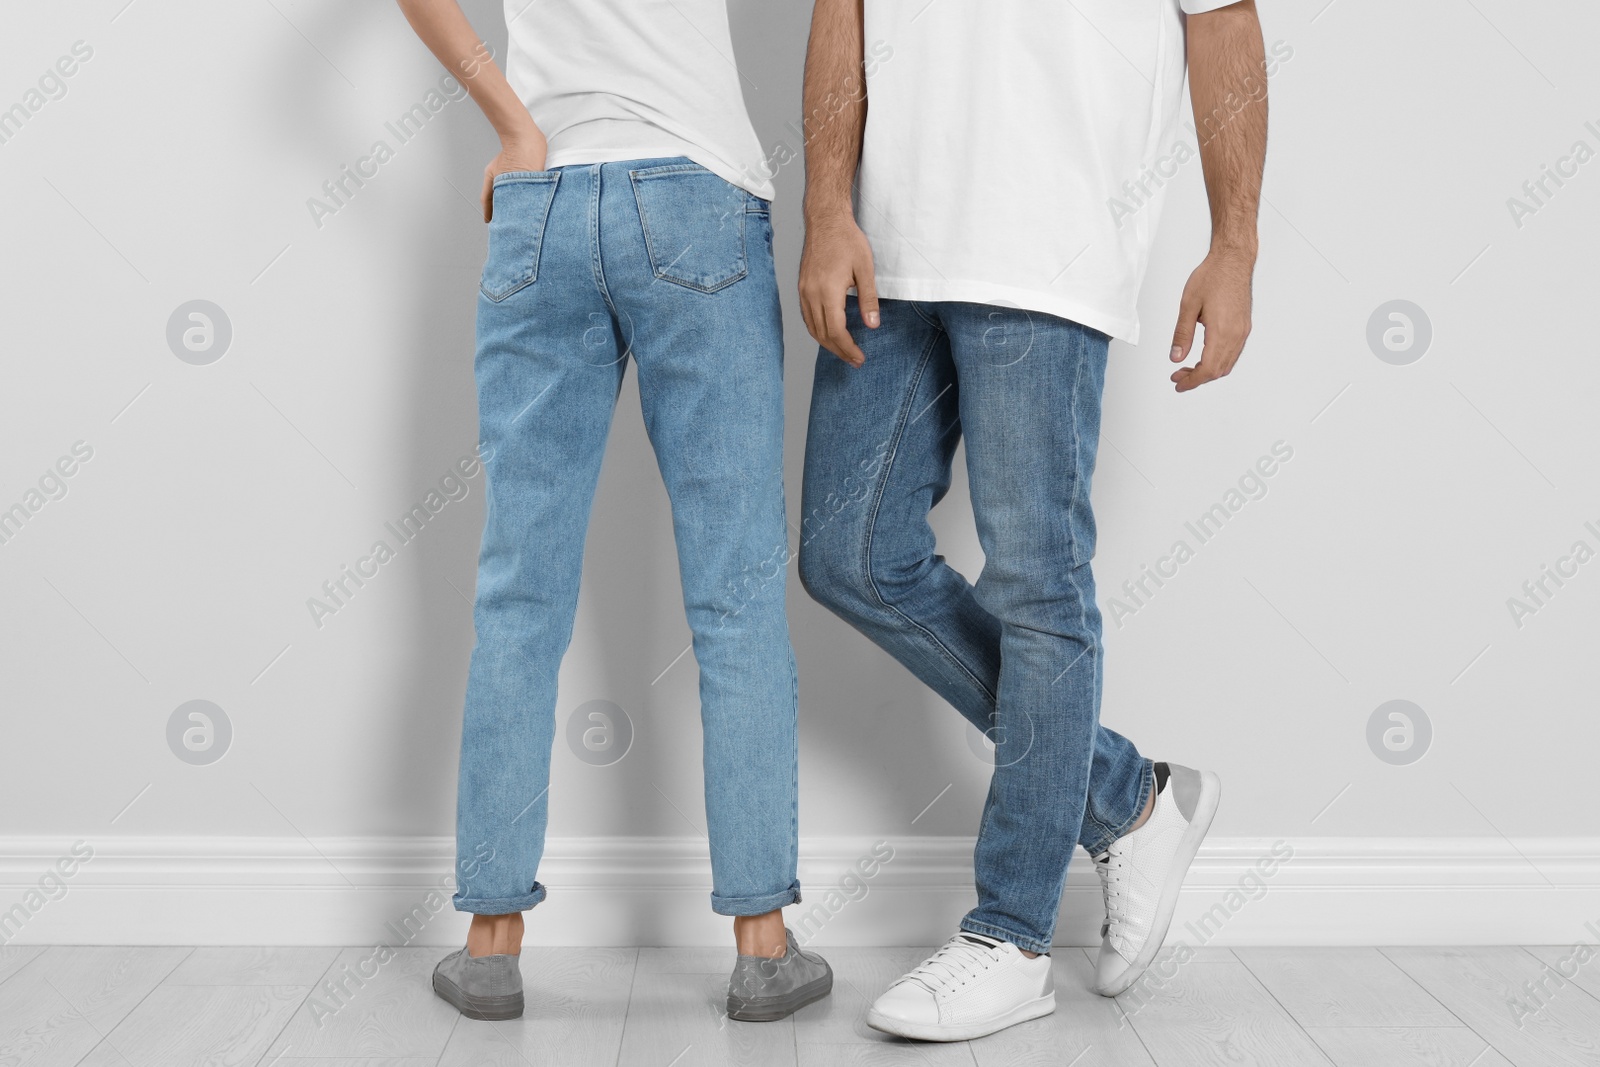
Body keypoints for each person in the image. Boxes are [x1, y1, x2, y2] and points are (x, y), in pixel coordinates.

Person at [795, 0, 1267, 1041]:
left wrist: (1231, 244)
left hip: (1049, 243)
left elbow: (1224, 24)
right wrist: (828, 208)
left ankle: (1011, 933)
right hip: (890, 243)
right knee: (849, 556)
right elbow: (842, 12)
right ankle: (1125, 797)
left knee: (1037, 578)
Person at [395, 0, 831, 1023]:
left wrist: (512, 123)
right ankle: (762, 944)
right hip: (695, 199)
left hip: (542, 200)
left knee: (518, 595)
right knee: (734, 596)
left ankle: (491, 940)